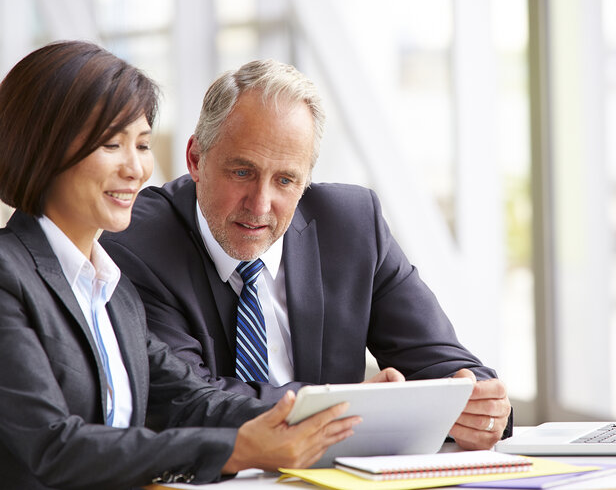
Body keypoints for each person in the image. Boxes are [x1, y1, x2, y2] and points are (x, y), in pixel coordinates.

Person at [0, 41, 360, 489]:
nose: (136, 169)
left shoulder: (110, 289)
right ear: (41, 149)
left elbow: (192, 401)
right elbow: (52, 448)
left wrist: (341, 415)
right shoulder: (8, 275)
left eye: (143, 144)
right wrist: (236, 450)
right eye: (112, 144)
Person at [101, 59, 513, 450]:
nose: (260, 204)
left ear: (306, 182)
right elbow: (186, 402)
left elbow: (445, 366)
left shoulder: (352, 226)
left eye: (285, 180)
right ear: (196, 159)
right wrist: (343, 408)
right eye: (242, 172)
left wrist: (481, 407)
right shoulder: (136, 241)